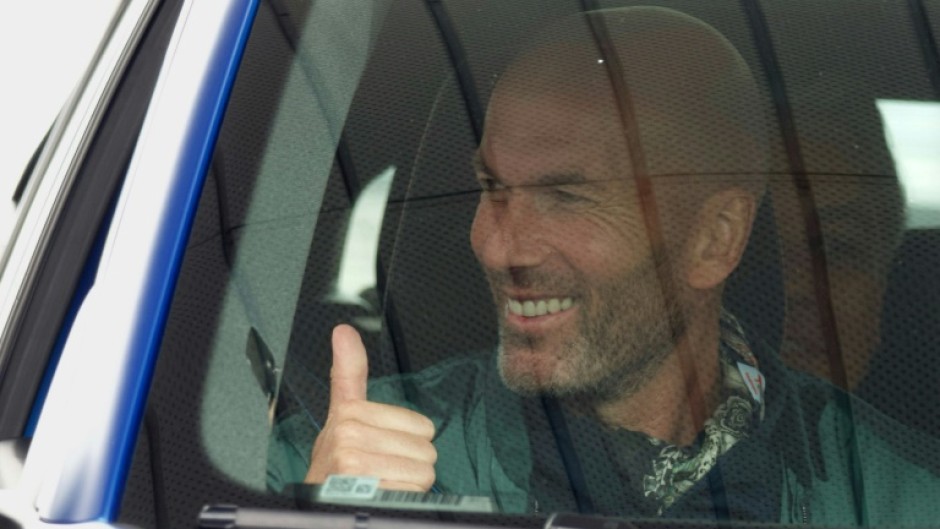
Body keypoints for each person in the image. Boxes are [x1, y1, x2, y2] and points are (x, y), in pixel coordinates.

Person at [268, 7, 939, 524]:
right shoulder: (331, 462)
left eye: (567, 196)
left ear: (715, 239)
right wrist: (327, 513)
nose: (503, 247)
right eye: (493, 188)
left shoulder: (903, 500)